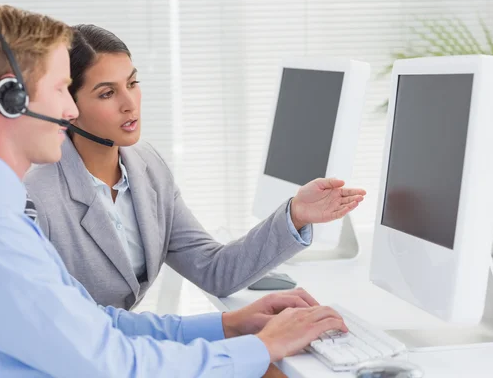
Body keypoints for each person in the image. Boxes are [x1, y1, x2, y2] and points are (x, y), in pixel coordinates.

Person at [0, 4, 349, 377]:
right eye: (61, 89)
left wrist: (231, 326)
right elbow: (108, 362)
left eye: (131, 84)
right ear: (11, 98)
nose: (69, 110)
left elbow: (96, 325)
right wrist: (261, 347)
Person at [23, 24, 367, 309]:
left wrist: (296, 214)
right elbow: (58, 324)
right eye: (107, 93)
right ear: (67, 103)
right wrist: (224, 327)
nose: (130, 104)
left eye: (132, 83)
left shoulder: (148, 168)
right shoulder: (36, 195)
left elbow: (214, 269)